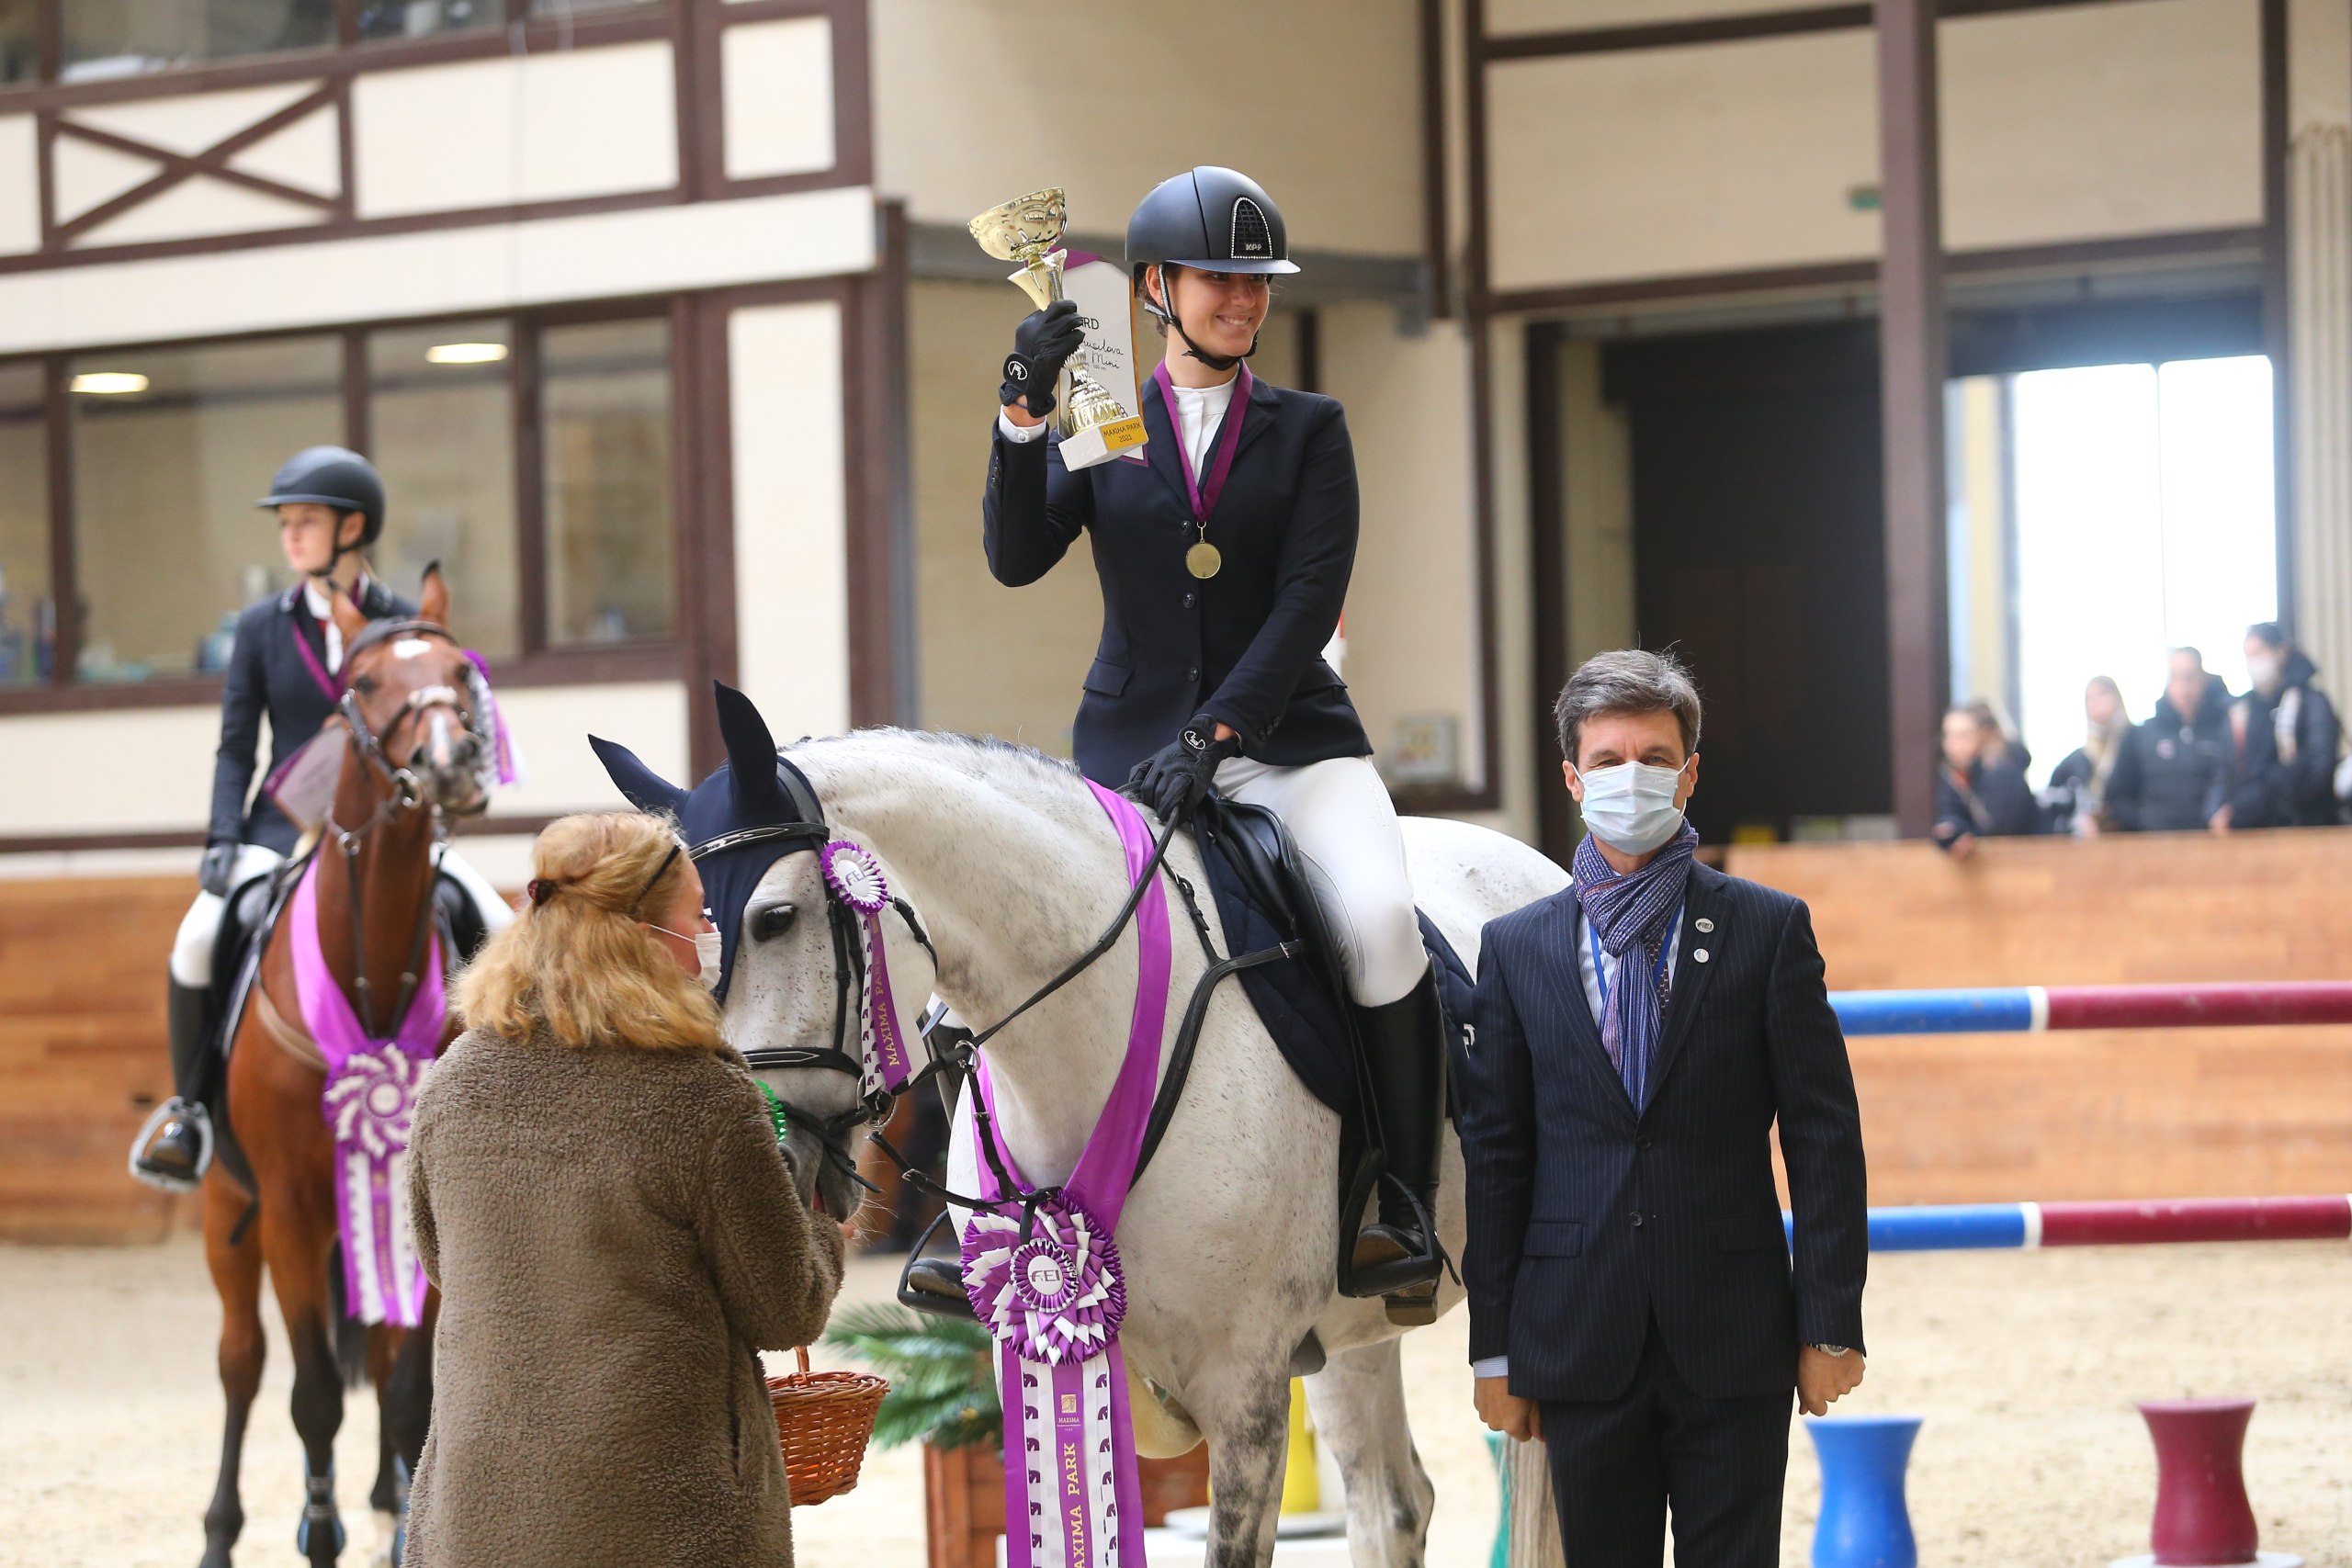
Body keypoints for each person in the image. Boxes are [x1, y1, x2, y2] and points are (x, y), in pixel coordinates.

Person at [979, 165, 1444, 1307]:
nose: (1242, 300)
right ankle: (977, 1210)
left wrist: (1219, 731)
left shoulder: (1310, 431)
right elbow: (1015, 554)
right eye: (1219, 280)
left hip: (1291, 748)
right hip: (1129, 755)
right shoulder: (1107, 419)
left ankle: (1396, 1198)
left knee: (1383, 928)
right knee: (992, 957)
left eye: (1257, 283)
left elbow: (1304, 604)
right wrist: (1021, 419)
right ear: (1153, 287)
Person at [1459, 649, 1868, 1567]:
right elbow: (1497, 1160)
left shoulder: (1768, 930)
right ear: (1571, 778)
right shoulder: (1516, 948)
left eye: (1653, 756)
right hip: (1577, 1335)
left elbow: (1822, 1140)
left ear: (1689, 774)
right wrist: (1496, 1349)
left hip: (1734, 1332)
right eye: (1606, 760)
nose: (1629, 776)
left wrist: (1829, 1319)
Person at [404, 812, 847, 1566]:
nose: (712, 931)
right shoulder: (703, 1093)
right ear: (644, 935)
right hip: (666, 1521)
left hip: (475, 1520)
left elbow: (445, 1265)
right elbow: (786, 1307)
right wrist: (822, 1220)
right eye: (699, 913)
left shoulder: (453, 1082)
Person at [132, 446, 512, 1189]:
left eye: (306, 520)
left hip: (397, 832)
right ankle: (192, 1110)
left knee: (497, 925)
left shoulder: (407, 624)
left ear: (353, 527)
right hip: (285, 829)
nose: (291, 535)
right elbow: (236, 746)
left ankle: (509, 1106)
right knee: (198, 937)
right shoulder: (261, 628)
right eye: (287, 522)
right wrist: (221, 836)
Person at [2216, 622, 2342, 831]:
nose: (2254, 663)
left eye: (2259, 652)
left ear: (2281, 652)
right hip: (2252, 824)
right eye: (2248, 655)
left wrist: (2255, 801)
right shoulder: (2243, 710)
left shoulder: (2311, 703)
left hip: (2305, 821)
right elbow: (2226, 769)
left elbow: (2318, 766)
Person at [2104, 649, 2233, 834]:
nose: (2184, 687)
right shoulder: (2140, 735)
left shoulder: (2223, 731)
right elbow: (2117, 796)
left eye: (2190, 677)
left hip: (2209, 842)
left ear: (2203, 679)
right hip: (2154, 845)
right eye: (2176, 677)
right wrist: (2146, 822)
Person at [1932, 704, 2042, 855]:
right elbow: (1951, 814)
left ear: (1984, 736)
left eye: (1962, 736)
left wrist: (1968, 835)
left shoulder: (2004, 772)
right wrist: (1951, 831)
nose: (1951, 745)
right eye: (1947, 735)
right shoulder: (1953, 773)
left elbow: (1999, 832)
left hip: (2025, 863)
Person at [2045, 676, 2132, 835]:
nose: (2096, 703)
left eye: (2103, 694)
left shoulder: (2135, 744)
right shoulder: (2077, 760)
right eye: (2089, 699)